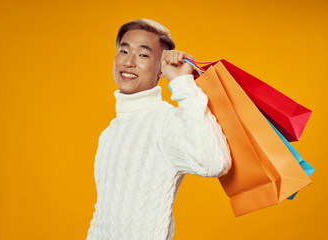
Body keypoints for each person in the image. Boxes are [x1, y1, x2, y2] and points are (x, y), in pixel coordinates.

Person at [86, 18, 232, 240]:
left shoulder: (165, 122)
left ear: (160, 70)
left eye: (143, 55)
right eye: (124, 51)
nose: (129, 62)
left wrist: (182, 83)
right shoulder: (109, 133)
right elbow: (104, 213)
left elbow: (213, 163)